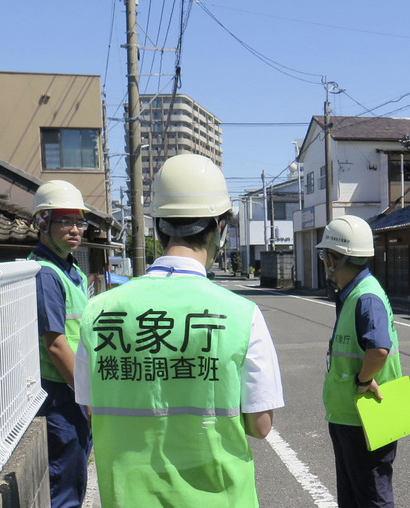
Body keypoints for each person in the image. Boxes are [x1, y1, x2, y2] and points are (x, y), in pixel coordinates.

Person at [74, 153, 284, 507]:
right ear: (221, 229)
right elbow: (261, 426)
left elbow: (91, 408)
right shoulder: (240, 314)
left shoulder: (99, 311)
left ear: (157, 227)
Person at [317, 215, 403, 508]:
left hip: (366, 412)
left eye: (324, 256)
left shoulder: (365, 297)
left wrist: (364, 380)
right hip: (355, 413)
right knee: (357, 494)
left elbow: (379, 348)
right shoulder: (356, 292)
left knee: (370, 495)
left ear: (334, 258)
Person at [28, 180, 93, 508]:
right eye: (64, 221)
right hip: (62, 395)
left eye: (79, 221)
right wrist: (87, 398)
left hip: (72, 389)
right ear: (42, 223)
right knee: (65, 487)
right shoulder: (46, 274)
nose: (75, 229)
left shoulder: (70, 268)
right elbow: (55, 345)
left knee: (75, 475)